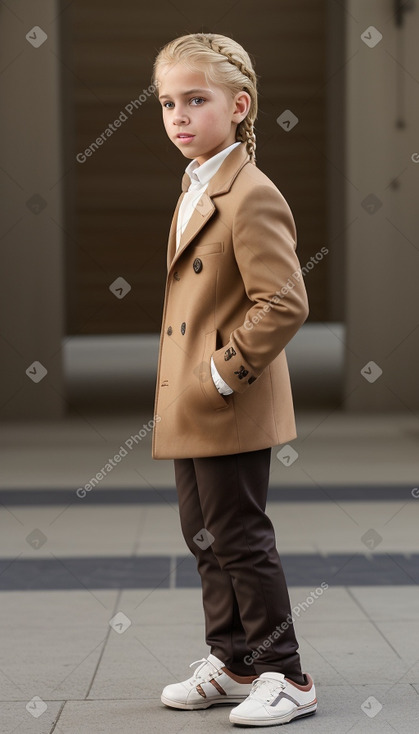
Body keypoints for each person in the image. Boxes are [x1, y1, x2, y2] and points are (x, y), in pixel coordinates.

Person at [150, 32, 317, 727]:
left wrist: (222, 374)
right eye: (166, 103)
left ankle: (288, 674)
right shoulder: (193, 184)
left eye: (196, 100)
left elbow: (284, 300)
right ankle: (235, 660)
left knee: (240, 536)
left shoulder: (249, 193)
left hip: (227, 399)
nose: (179, 116)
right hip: (191, 399)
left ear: (239, 106)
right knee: (203, 534)